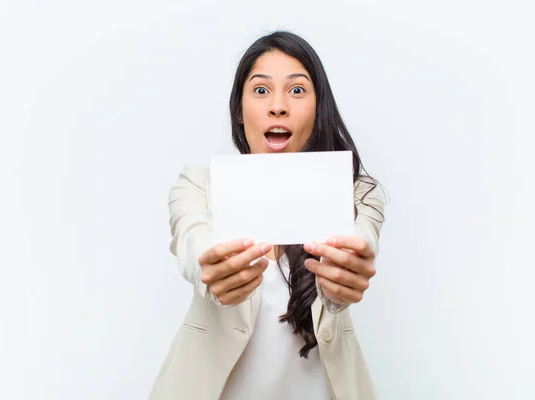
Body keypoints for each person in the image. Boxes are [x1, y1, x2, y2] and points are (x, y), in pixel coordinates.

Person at [148, 31, 386, 400]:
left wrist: (348, 274)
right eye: (261, 90)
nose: (278, 106)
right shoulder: (198, 183)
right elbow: (193, 241)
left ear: (318, 107)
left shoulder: (355, 192)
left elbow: (360, 245)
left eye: (296, 90)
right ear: (240, 113)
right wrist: (210, 271)